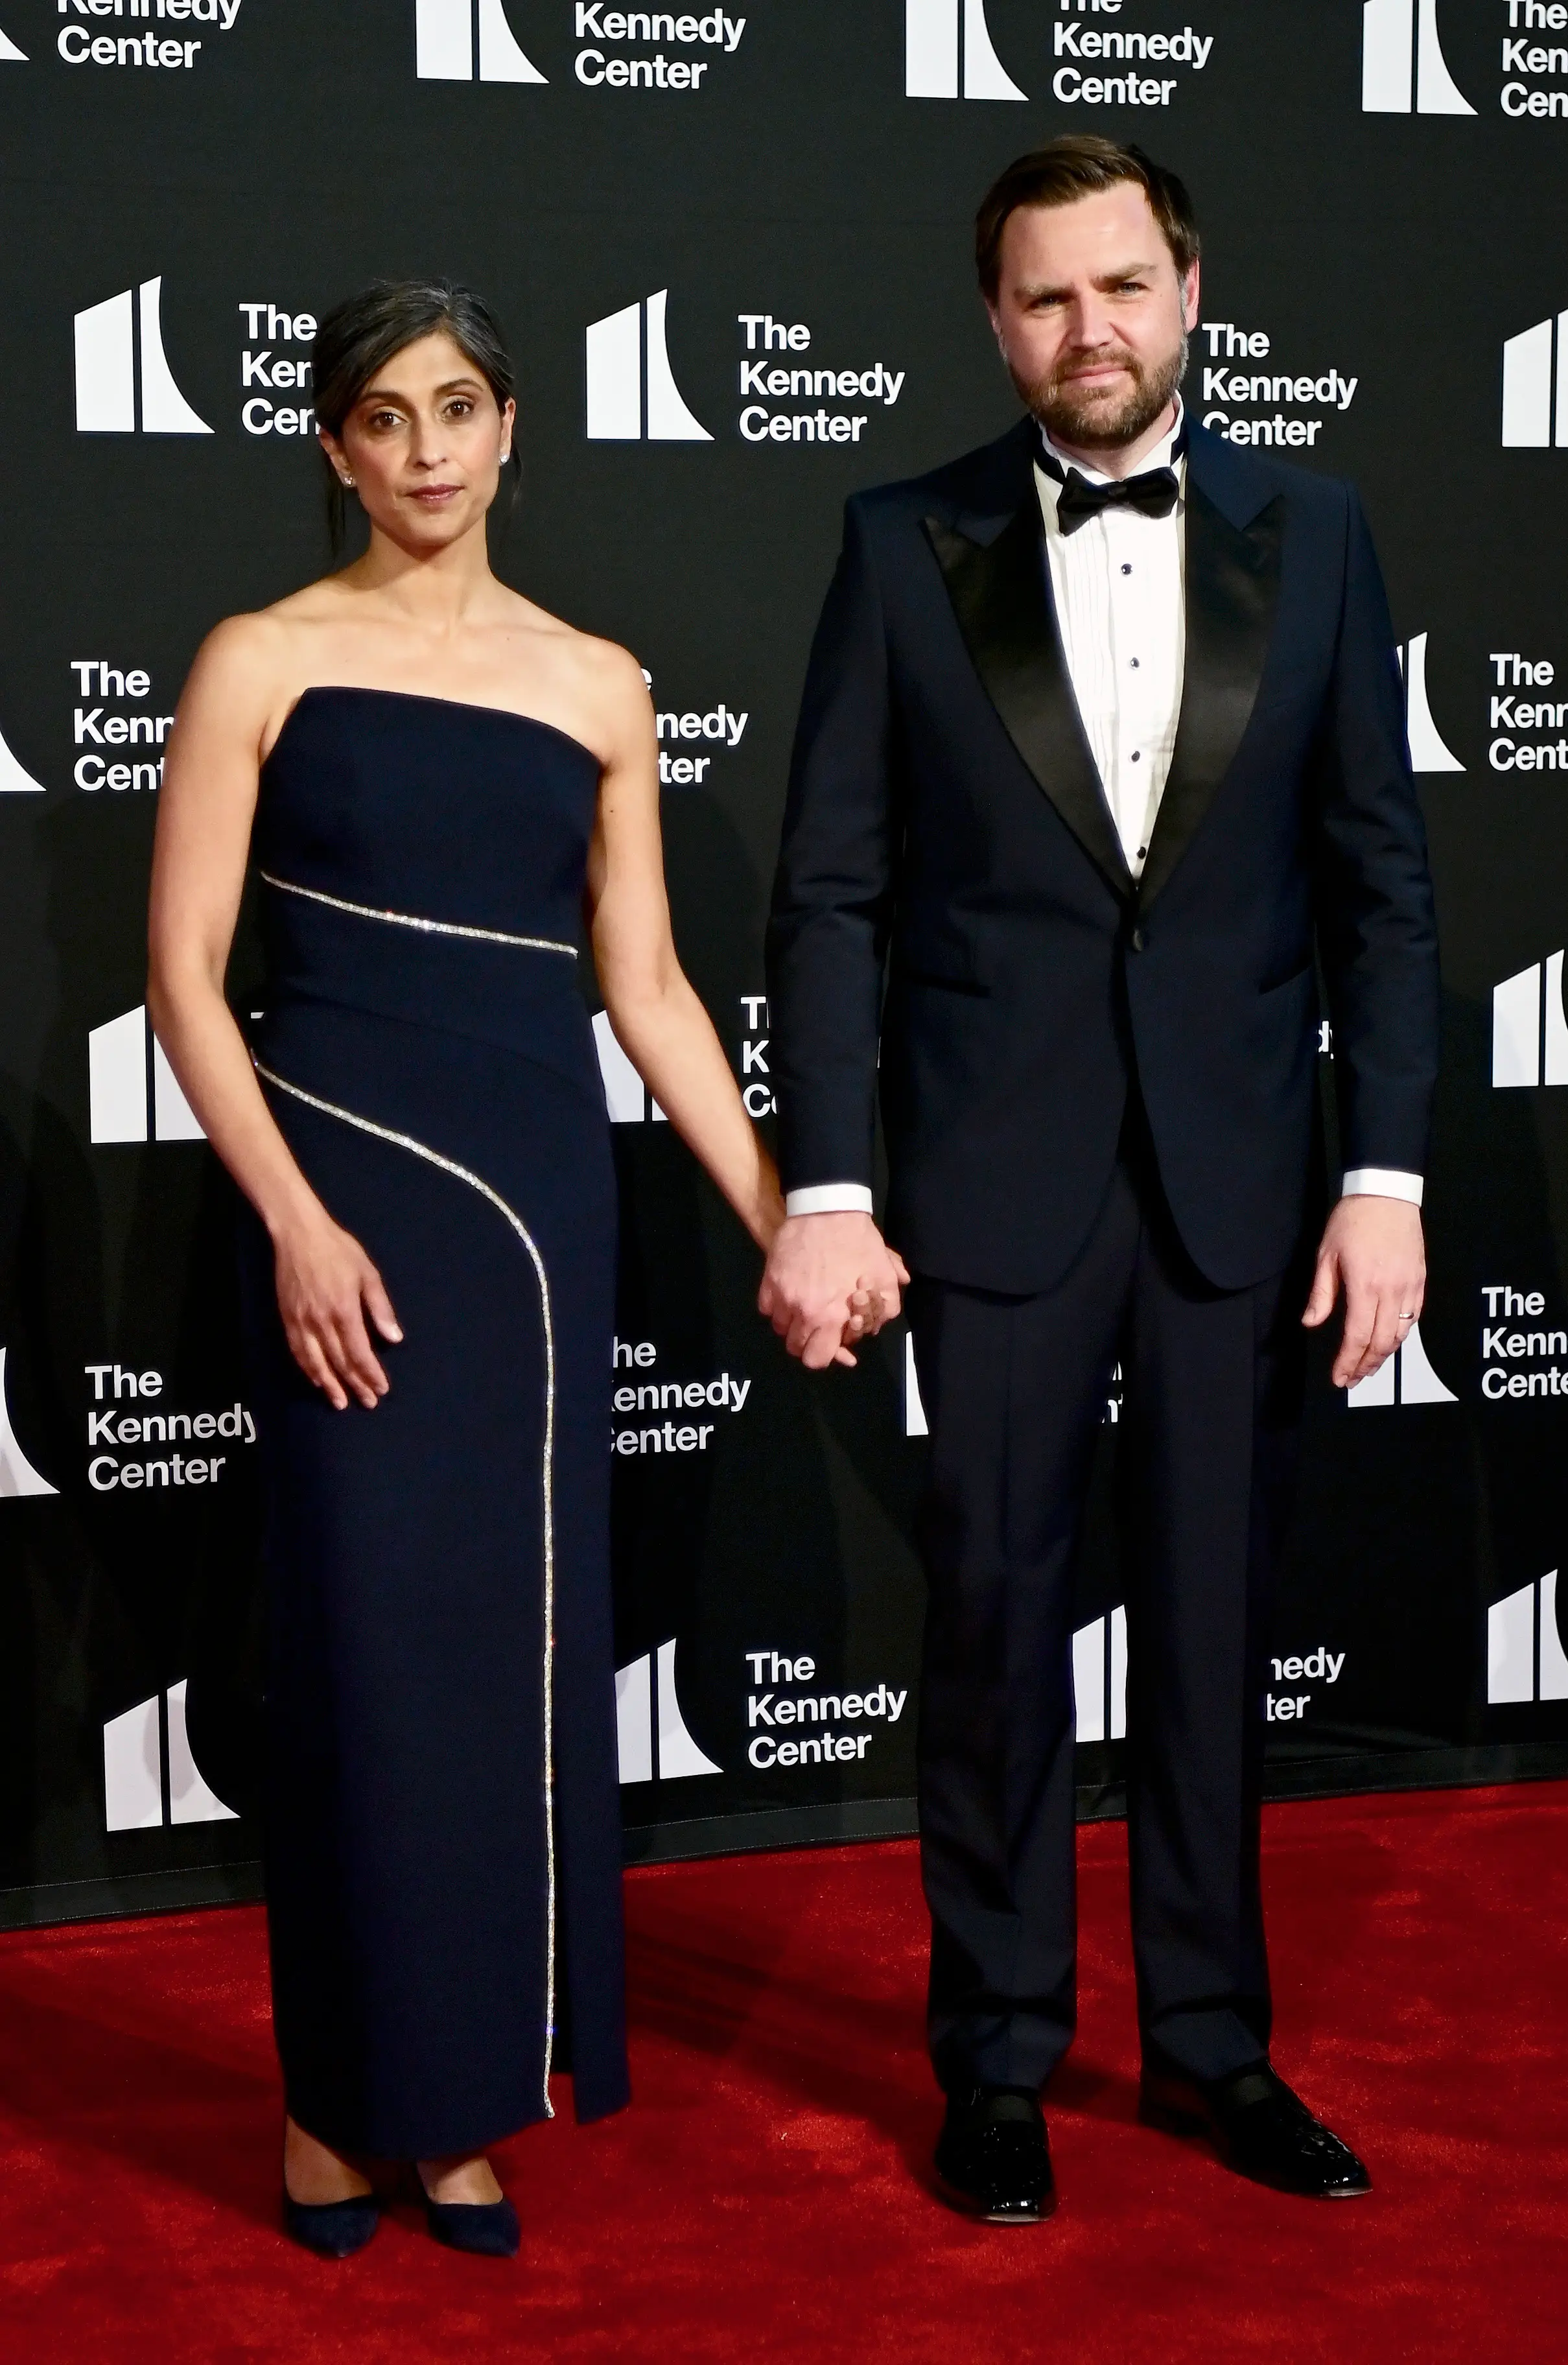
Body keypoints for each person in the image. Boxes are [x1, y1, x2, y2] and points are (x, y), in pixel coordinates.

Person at [759, 138, 1438, 2218]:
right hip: (993, 1180)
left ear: (1191, 290)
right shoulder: (901, 543)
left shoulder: (1315, 535)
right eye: (1049, 298)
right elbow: (833, 898)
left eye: (1124, 285)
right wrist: (835, 1186)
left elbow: (1381, 895)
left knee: (1221, 1635)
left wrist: (1389, 1172)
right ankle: (997, 2060)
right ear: (995, 323)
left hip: (1248, 1186)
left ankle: (1219, 2050)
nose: (1093, 329)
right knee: (992, 1630)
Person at [146, 280, 811, 2259]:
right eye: (380, 415)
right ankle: (332, 2104)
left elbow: (655, 989)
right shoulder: (262, 655)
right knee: (360, 1661)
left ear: (512, 425)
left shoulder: (601, 682)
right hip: (339, 1213)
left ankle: (456, 2106)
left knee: (506, 1679)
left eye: (456, 407)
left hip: (536, 1233)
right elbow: (185, 980)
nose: (425, 449)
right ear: (332, 448)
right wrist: (294, 1222)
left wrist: (791, 1219)